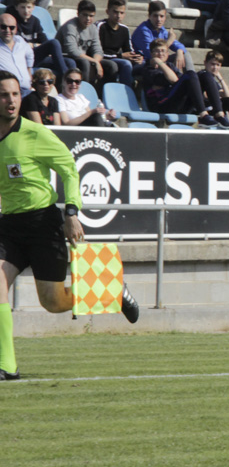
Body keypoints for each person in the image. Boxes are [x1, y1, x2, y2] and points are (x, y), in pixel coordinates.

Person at [0, 70, 139, 380]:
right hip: (8, 226)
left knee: (52, 302)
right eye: (3, 95)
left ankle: (111, 291)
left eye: (14, 94)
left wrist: (71, 211)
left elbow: (69, 170)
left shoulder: (36, 134)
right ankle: (7, 367)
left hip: (42, 225)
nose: (10, 101)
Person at [143, 40, 226, 128]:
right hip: (161, 106)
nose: (160, 54)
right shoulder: (148, 69)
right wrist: (159, 62)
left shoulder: (171, 66)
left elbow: (182, 83)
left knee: (205, 75)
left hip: (179, 104)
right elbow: (174, 80)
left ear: (167, 54)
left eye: (163, 51)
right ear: (151, 54)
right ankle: (203, 115)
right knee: (190, 74)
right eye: (157, 51)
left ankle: (220, 115)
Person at [7, 0, 73, 81]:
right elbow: (20, 44)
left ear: (33, 7)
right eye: (23, 7)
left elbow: (44, 41)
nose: (26, 11)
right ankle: (68, 80)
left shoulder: (35, 21)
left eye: (29, 7)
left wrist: (32, 45)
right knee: (54, 43)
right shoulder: (13, 22)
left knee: (70, 62)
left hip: (37, 56)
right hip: (24, 58)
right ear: (16, 7)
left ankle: (64, 89)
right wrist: (35, 45)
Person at [57, 0, 120, 89]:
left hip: (83, 58)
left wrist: (96, 62)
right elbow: (72, 51)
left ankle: (100, 95)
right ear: (78, 13)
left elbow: (98, 50)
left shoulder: (93, 28)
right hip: (66, 57)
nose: (88, 19)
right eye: (85, 15)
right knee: (85, 63)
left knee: (111, 65)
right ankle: (84, 92)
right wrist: (94, 62)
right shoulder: (70, 26)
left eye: (91, 16)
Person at [132, 1, 194, 73]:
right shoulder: (143, 30)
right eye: (155, 16)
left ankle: (191, 77)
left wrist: (180, 51)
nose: (159, 20)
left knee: (185, 54)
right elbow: (152, 54)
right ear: (149, 16)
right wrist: (169, 41)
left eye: (162, 16)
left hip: (159, 60)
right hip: (144, 63)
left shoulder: (161, 30)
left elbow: (178, 45)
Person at [96, 0, 142, 88]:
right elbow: (97, 51)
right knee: (124, 64)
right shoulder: (100, 26)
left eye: (122, 13)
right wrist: (120, 56)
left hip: (117, 58)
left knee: (144, 64)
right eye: (115, 12)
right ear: (107, 11)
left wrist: (136, 57)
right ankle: (125, 93)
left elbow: (128, 50)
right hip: (102, 59)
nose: (118, 16)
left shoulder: (124, 29)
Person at [0, 13, 33, 95]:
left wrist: (29, 72)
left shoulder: (20, 41)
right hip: (8, 93)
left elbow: (30, 54)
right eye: (3, 27)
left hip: (27, 90)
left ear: (16, 29)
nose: (8, 30)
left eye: (11, 27)